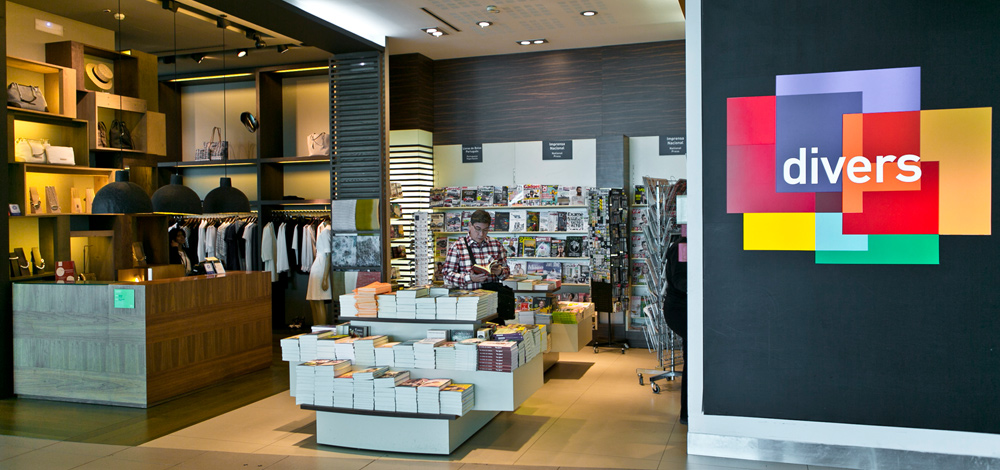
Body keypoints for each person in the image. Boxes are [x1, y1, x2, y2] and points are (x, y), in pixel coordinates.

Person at [440, 210, 510, 289]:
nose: (481, 234)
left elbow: (506, 272)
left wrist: (500, 272)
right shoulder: (457, 247)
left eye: (485, 230)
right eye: (478, 229)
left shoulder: (496, 245)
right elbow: (447, 276)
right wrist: (469, 278)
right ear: (470, 225)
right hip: (468, 295)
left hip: (492, 295)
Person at [664, 235, 688, 425]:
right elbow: (681, 281)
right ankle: (687, 412)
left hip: (682, 308)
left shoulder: (683, 245)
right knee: (693, 358)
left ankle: (687, 412)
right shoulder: (682, 247)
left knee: (692, 357)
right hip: (680, 309)